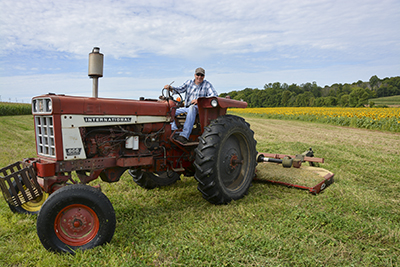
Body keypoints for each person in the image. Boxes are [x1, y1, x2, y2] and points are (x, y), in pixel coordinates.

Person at [164, 67, 218, 144]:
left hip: (199, 109)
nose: (199, 77)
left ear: (204, 76)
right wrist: (171, 88)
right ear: (194, 75)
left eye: (201, 75)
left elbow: (214, 95)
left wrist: (199, 101)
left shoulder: (207, 85)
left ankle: (184, 136)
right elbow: (180, 89)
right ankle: (174, 131)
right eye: (198, 74)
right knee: (170, 111)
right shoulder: (188, 83)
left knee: (192, 108)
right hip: (187, 107)